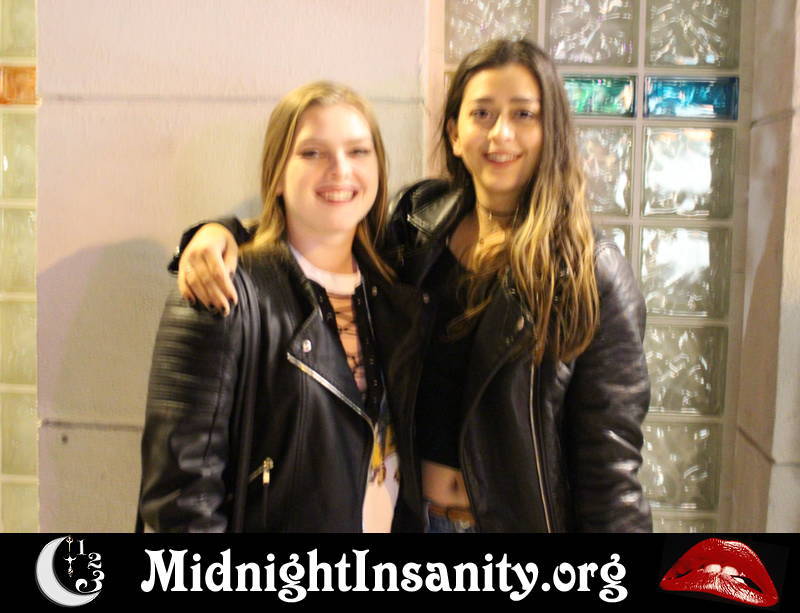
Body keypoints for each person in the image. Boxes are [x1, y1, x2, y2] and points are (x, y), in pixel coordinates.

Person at [174, 39, 652, 533]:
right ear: (455, 132)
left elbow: (611, 470)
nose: (500, 133)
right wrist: (217, 234)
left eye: (524, 114)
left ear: (551, 131)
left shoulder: (590, 272)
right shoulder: (419, 226)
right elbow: (322, 229)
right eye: (482, 113)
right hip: (408, 520)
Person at [139, 81, 423, 532]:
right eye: (312, 153)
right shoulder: (221, 290)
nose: (340, 169)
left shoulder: (395, 292)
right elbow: (181, 498)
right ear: (276, 174)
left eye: (358, 151)